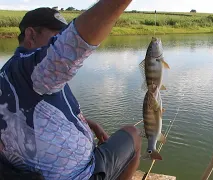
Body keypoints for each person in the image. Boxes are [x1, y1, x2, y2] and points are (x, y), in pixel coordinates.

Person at [0, 0, 142, 179]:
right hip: (82, 174)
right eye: (56, 37)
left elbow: (20, 117)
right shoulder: (34, 72)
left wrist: (87, 123)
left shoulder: (9, 73)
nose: (59, 42)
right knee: (133, 134)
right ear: (31, 35)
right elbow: (76, 43)